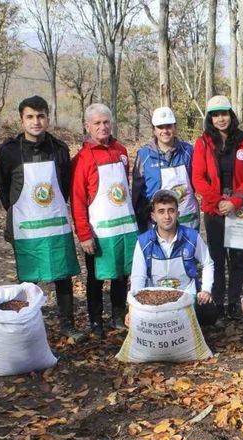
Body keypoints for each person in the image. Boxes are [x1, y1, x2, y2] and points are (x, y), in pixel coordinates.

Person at [0, 96, 82, 341]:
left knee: (63, 275)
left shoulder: (59, 149)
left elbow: (65, 185)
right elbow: (2, 185)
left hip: (54, 223)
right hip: (26, 227)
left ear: (48, 118)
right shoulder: (9, 151)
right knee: (29, 279)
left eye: (40, 116)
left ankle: (68, 324)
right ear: (21, 120)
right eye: (30, 117)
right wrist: (18, 211)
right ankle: (30, 324)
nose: (36, 121)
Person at [191, 95, 243, 319]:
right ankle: (218, 301)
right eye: (216, 115)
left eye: (224, 114)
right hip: (214, 209)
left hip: (239, 209)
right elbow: (198, 178)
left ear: (231, 115)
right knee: (217, 257)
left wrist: (236, 201)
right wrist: (219, 201)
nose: (221, 119)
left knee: (238, 257)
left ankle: (233, 302)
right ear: (210, 118)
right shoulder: (203, 142)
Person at [72, 103, 138, 335]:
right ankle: (96, 319)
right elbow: (78, 200)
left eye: (106, 122)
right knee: (97, 277)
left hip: (125, 226)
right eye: (97, 123)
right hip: (99, 230)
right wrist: (84, 234)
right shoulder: (82, 158)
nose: (103, 127)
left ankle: (118, 315)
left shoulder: (120, 150)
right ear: (87, 126)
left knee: (122, 273)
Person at [130, 190, 218, 326]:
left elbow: (208, 263)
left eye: (171, 210)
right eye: (161, 211)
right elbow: (138, 277)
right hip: (155, 299)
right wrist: (133, 308)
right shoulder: (143, 242)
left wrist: (206, 289)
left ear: (178, 213)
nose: (167, 216)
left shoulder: (192, 237)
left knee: (208, 311)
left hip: (187, 296)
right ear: (153, 216)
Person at [131, 107, 199, 232]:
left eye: (168, 126)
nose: (165, 131)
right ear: (154, 130)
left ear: (175, 127)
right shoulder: (144, 155)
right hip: (156, 221)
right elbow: (137, 190)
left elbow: (198, 181)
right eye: (160, 127)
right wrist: (138, 216)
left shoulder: (188, 151)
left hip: (187, 218)